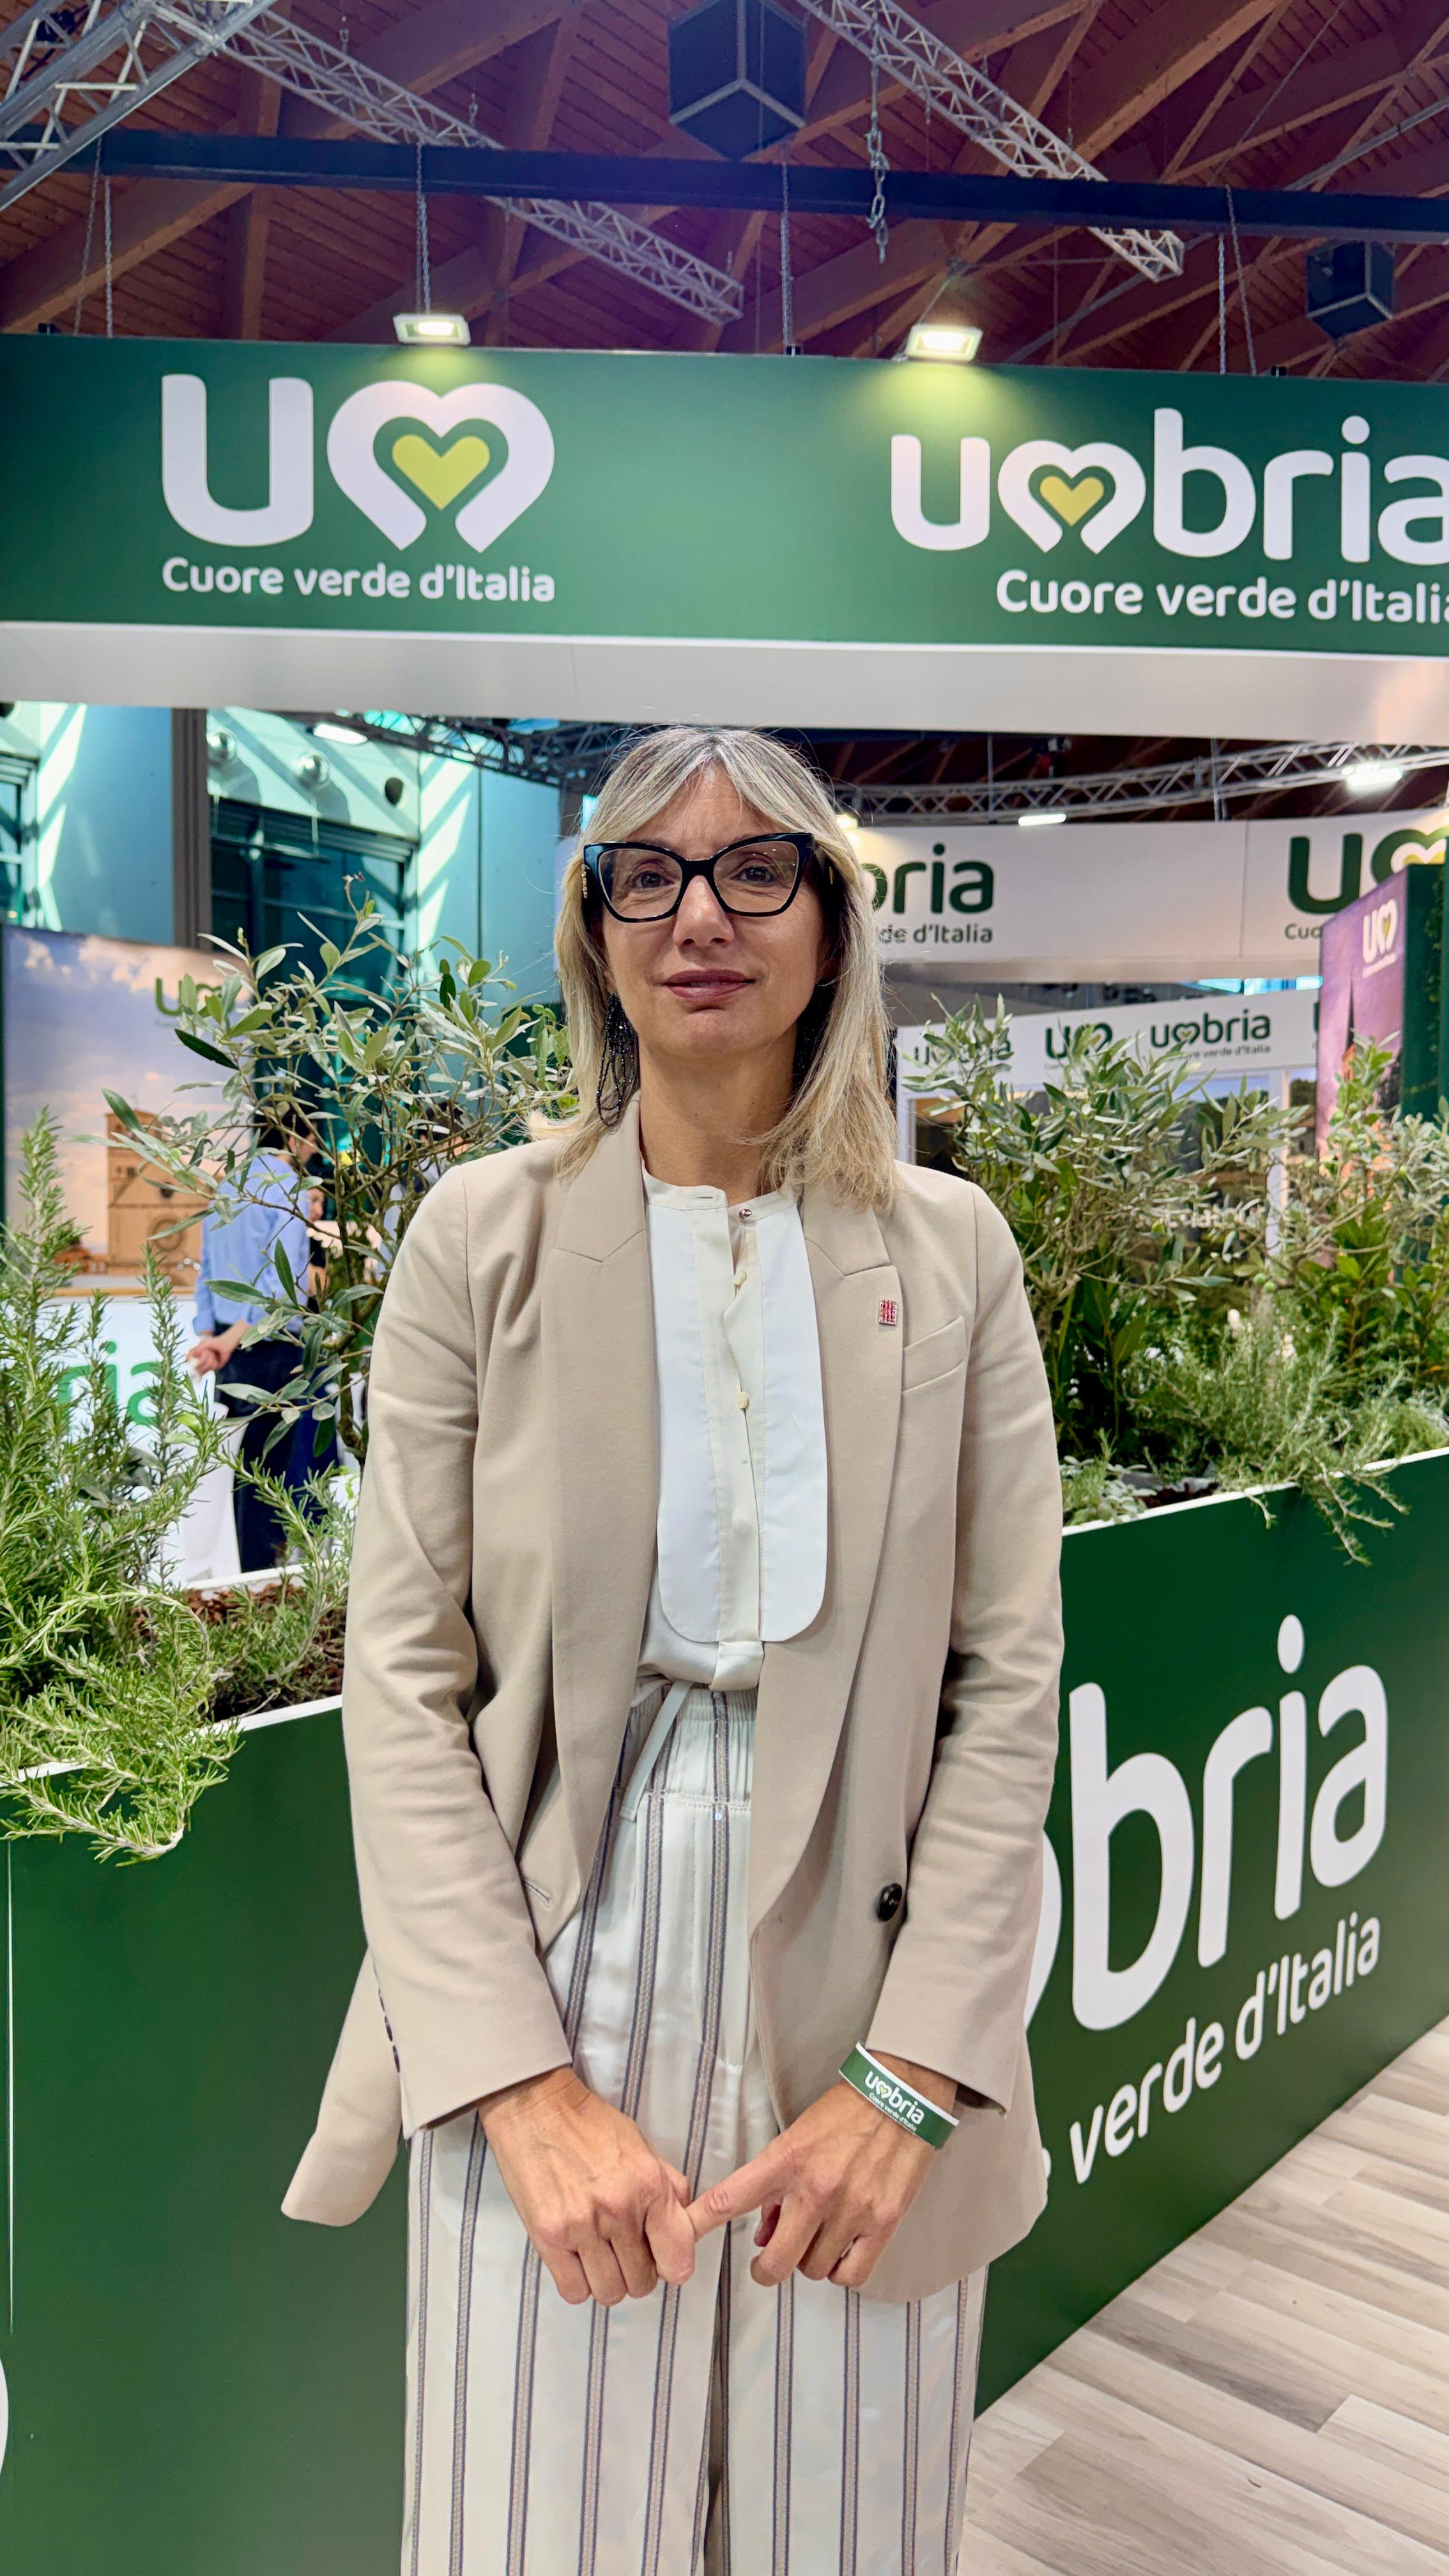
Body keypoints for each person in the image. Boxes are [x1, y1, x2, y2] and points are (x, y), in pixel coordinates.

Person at [284, 726, 1063, 2572]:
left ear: (830, 918)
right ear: (596, 929)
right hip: (555, 1938)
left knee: (847, 2531)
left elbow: (1004, 1683)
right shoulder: (485, 1237)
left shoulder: (951, 1253)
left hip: (863, 1951)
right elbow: (403, 1681)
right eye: (647, 873)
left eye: (753, 868)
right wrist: (517, 2081)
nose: (699, 915)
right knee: (531, 2530)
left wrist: (913, 2077)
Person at [187, 1114, 319, 1570]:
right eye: (311, 1140)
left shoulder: (229, 1186)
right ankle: (260, 1580)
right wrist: (230, 1337)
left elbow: (207, 1269)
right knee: (267, 1471)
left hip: (228, 1350)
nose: (313, 1150)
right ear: (295, 1138)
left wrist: (212, 1337)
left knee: (235, 1467)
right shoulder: (286, 1187)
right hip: (270, 1345)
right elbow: (282, 1286)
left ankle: (237, 1572)